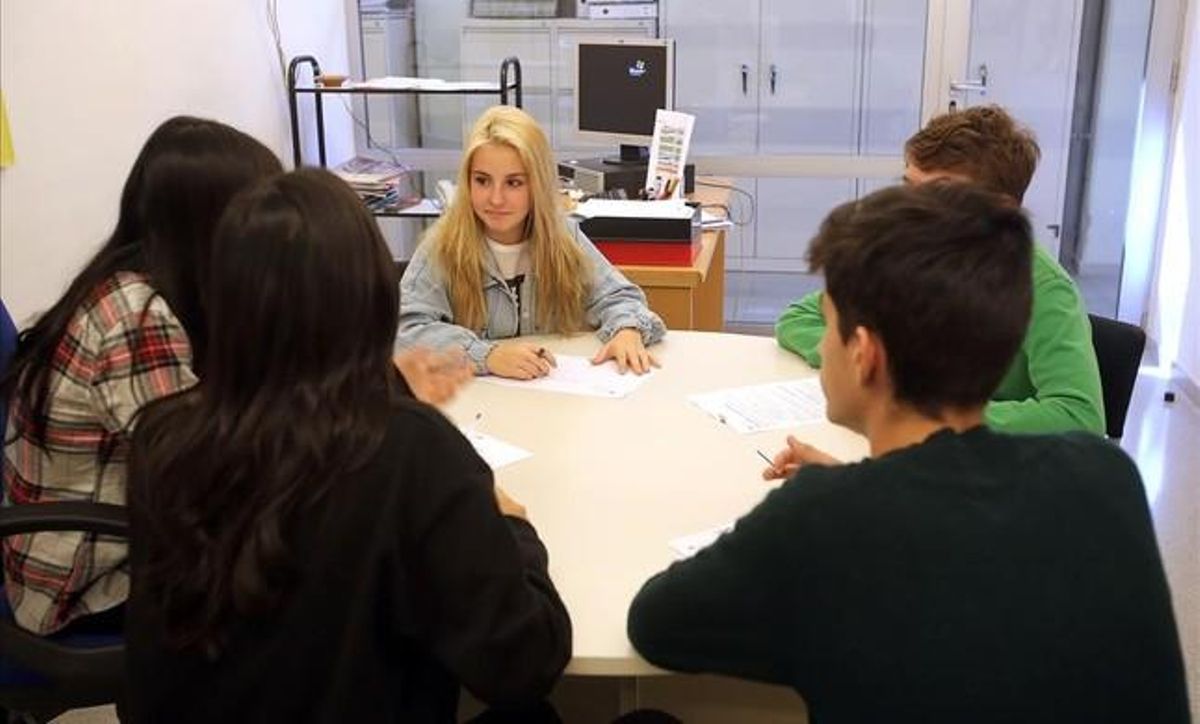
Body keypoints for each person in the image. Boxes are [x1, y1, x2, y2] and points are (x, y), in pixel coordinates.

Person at [627, 183, 1189, 723]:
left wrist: (840, 498)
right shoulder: (1106, 474)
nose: (821, 346)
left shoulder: (821, 518)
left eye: (826, 327)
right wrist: (866, 482)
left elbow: (655, 624)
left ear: (864, 355)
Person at [124, 168, 572, 722]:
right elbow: (526, 661)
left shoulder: (162, 437)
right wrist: (511, 526)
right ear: (373, 294)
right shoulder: (409, 450)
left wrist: (388, 383)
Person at [1, 117, 282, 635]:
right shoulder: (137, 315)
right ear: (212, 222)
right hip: (79, 584)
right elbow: (213, 475)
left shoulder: (133, 279)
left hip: (86, 545)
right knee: (308, 571)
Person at [775, 105, 1104, 435]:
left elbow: (1079, 415)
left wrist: (930, 414)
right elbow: (800, 318)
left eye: (939, 194)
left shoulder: (1044, 288)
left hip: (993, 467)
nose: (911, 210)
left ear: (1002, 210)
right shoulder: (908, 256)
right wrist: (865, 369)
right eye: (908, 188)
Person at [397, 105, 666, 378]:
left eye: (513, 183)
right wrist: (486, 355)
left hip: (548, 402)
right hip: (475, 406)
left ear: (536, 184)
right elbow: (403, 332)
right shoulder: (443, 246)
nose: (496, 199)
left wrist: (627, 330)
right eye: (482, 181)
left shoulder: (562, 237)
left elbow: (619, 296)